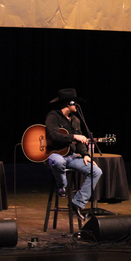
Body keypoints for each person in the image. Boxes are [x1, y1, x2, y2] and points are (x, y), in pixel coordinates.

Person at [45, 88, 103, 222]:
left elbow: (80, 141)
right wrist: (74, 136)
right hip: (54, 154)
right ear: (68, 103)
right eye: (75, 103)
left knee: (96, 171)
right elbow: (54, 136)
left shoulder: (76, 120)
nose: (77, 106)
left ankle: (77, 203)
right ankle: (62, 187)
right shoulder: (53, 116)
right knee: (59, 162)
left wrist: (85, 154)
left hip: (71, 156)